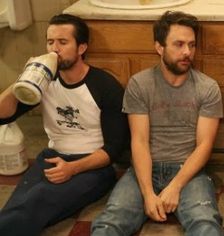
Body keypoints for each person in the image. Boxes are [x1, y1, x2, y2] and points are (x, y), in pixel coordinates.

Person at [91, 11, 224, 236]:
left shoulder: (207, 88)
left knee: (206, 224)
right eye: (179, 44)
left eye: (191, 45)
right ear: (159, 47)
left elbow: (204, 145)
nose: (187, 52)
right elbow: (140, 141)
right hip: (145, 168)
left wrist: (176, 186)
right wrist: (147, 193)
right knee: (109, 223)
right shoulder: (140, 84)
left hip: (188, 170)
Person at [0, 14, 128, 236]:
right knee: (20, 204)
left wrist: (72, 168)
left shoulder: (105, 86)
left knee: (39, 200)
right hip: (52, 156)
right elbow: (4, 115)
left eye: (62, 42)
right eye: (50, 42)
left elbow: (114, 149)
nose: (54, 49)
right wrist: (24, 79)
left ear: (81, 47)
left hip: (93, 165)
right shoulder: (45, 82)